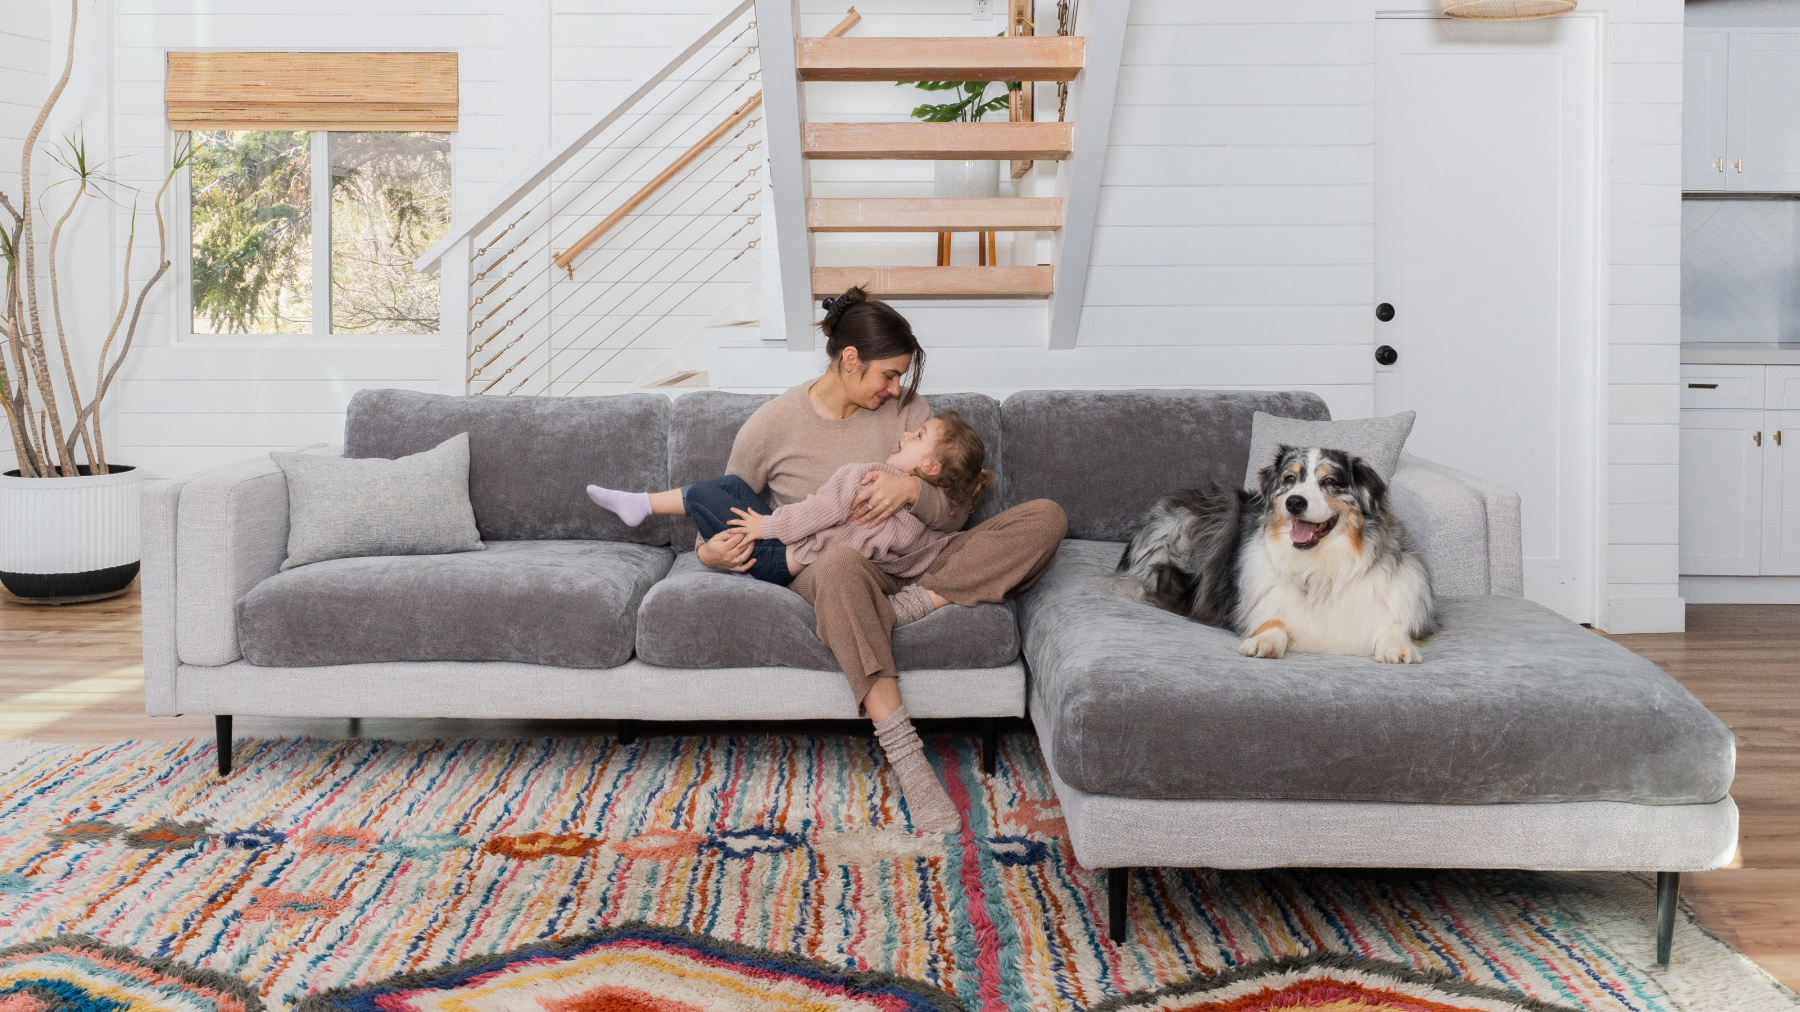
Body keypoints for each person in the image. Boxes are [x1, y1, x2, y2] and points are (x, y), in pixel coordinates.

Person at [691, 287, 1066, 833]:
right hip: (840, 566)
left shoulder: (908, 412)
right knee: (840, 564)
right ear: (849, 360)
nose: (897, 390)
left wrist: (912, 494)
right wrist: (711, 553)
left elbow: (957, 510)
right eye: (888, 375)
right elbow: (721, 504)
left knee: (1048, 517)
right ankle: (911, 767)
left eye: (901, 377)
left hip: (926, 558)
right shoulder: (771, 426)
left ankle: (922, 601)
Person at [586, 412, 992, 599]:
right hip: (792, 550)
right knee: (730, 484)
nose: (905, 430)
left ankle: (640, 504)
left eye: (917, 435)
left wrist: (765, 528)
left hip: (780, 557)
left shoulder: (867, 476)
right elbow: (929, 546)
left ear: (929, 466)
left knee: (703, 495)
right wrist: (708, 552)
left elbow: (818, 511)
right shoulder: (921, 525)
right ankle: (639, 502)